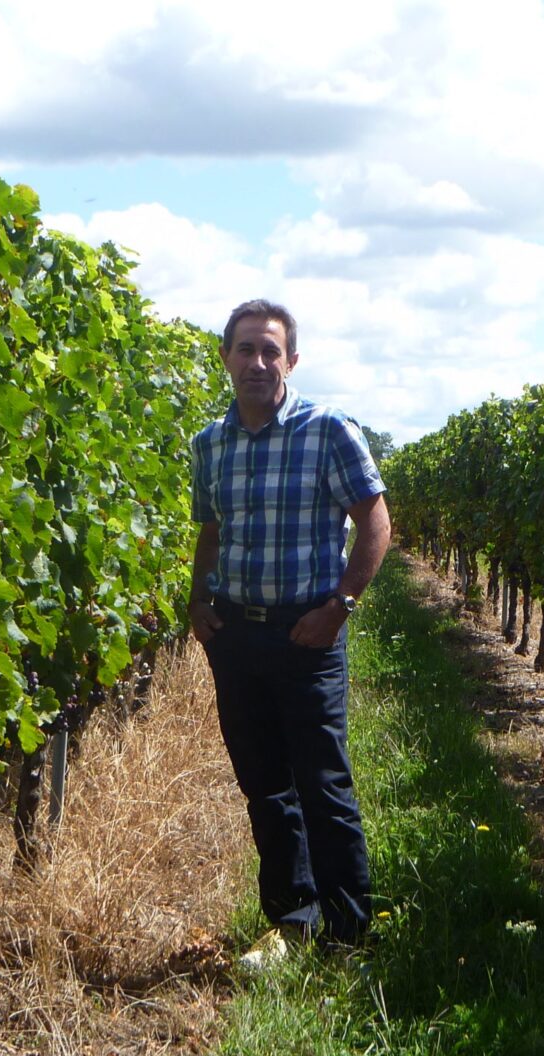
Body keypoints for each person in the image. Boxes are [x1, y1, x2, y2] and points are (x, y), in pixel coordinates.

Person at [188, 298, 392, 952]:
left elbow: (375, 523)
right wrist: (198, 603)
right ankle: (291, 924)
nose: (257, 362)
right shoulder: (210, 445)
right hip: (237, 638)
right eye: (245, 349)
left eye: (270, 350)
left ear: (292, 360)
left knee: (323, 785)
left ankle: (349, 933)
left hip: (308, 635)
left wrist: (340, 608)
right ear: (226, 359)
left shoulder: (328, 430)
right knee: (265, 788)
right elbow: (211, 534)